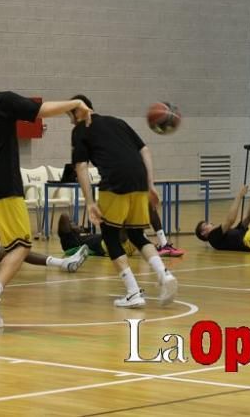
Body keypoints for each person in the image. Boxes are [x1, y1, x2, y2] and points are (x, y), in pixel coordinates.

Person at [0, 53, 91, 331]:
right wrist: (75, 103)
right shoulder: (2, 100)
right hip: (2, 186)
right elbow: (42, 110)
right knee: (21, 245)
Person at [69, 94, 178, 308]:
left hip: (115, 183)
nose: (70, 120)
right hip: (138, 180)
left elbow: (81, 167)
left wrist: (90, 201)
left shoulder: (81, 129)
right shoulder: (117, 122)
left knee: (110, 236)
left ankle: (133, 292)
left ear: (78, 111)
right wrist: (150, 184)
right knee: (137, 234)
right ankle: (164, 275)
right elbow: (145, 150)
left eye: (70, 115)